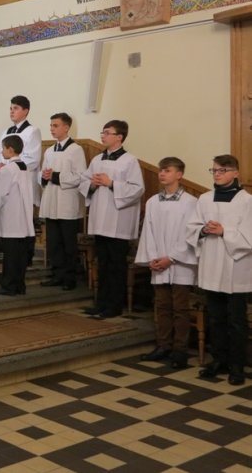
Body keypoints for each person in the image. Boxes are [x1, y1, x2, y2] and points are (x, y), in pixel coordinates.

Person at [187, 154, 252, 385]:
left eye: (222, 170)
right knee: (215, 318)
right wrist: (204, 230)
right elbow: (192, 227)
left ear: (235, 173)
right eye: (214, 170)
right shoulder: (204, 199)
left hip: (235, 267)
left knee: (236, 321)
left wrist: (224, 231)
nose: (217, 174)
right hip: (211, 264)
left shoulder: (247, 201)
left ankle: (237, 366)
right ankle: (219, 360)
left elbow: (249, 236)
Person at [135, 157, 198, 370]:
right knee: (161, 306)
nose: (162, 174)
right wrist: (153, 258)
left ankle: (180, 351)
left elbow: (190, 235)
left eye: (167, 170)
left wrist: (170, 258)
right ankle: (163, 345)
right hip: (158, 262)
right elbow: (148, 232)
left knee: (180, 308)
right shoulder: (153, 201)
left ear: (179, 174)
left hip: (180, 263)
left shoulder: (190, 202)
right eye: (161, 170)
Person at [79, 120, 145, 319]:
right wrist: (92, 184)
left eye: (107, 132)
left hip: (118, 222)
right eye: (103, 132)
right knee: (103, 263)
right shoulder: (97, 159)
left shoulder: (130, 161)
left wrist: (111, 183)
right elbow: (84, 181)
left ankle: (114, 305)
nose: (103, 135)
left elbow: (137, 189)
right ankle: (101, 303)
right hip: (100, 220)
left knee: (116, 265)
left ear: (119, 137)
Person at [0, 95, 41, 262]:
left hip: (22, 178)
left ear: (26, 111)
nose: (12, 111)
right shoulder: (6, 131)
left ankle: (26, 256)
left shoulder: (32, 131)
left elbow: (32, 158)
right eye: (11, 108)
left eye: (16, 108)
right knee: (8, 218)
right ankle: (8, 254)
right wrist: (0, 166)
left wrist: (9, 166)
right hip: (6, 177)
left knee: (24, 218)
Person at [39, 113, 86, 291]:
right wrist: (44, 176)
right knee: (54, 242)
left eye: (56, 125)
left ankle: (69, 278)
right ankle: (57, 275)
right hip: (51, 200)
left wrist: (55, 176)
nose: (52, 129)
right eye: (51, 125)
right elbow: (43, 172)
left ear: (66, 127)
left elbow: (80, 176)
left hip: (67, 202)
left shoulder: (76, 150)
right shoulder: (49, 151)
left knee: (68, 243)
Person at [0, 135, 35, 296]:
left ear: (10, 150)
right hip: (23, 217)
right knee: (20, 255)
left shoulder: (8, 169)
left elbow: (0, 194)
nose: (2, 152)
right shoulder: (24, 167)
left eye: (3, 148)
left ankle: (8, 286)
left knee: (10, 255)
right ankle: (19, 285)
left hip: (11, 218)